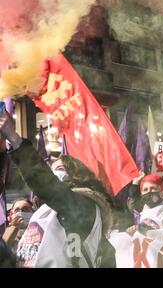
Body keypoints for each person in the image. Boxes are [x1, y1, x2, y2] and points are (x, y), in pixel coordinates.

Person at [0, 111, 116, 268]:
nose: (54, 174)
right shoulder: (42, 213)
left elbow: (46, 184)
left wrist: (14, 138)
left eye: (60, 168)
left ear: (78, 176)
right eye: (51, 169)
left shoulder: (84, 206)